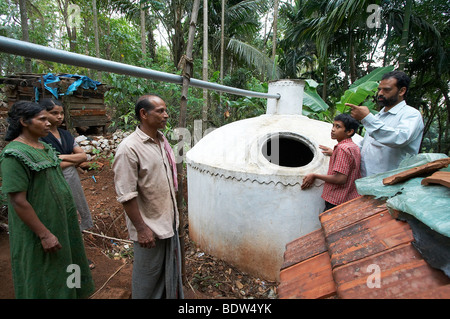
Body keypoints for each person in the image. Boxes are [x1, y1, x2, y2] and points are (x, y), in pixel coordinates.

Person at [0, 101, 95, 298]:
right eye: (42, 119)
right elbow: (18, 201)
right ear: (24, 122)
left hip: (61, 223)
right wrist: (44, 234)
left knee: (69, 261)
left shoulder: (43, 147)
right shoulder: (14, 155)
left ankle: (74, 294)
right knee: (46, 271)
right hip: (42, 227)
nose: (48, 123)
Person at [112, 94, 183, 299]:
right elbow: (126, 194)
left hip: (167, 222)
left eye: (165, 110)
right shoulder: (129, 149)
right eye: (160, 111)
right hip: (149, 228)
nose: (166, 115)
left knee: (166, 274)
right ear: (143, 114)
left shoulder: (161, 141)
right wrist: (142, 229)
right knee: (147, 279)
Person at [347, 70, 424, 177]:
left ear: (402, 91)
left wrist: (367, 118)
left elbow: (399, 138)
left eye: (386, 90)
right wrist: (344, 152)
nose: (380, 93)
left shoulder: (411, 114)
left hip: (390, 184)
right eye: (379, 89)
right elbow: (365, 145)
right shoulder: (378, 116)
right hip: (366, 180)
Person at [39, 98, 94, 232]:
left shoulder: (66, 135)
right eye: (54, 113)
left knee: (76, 204)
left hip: (71, 178)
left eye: (61, 113)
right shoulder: (41, 137)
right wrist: (73, 160)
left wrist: (62, 157)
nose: (59, 117)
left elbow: (83, 156)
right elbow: (50, 164)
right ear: (43, 113)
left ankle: (78, 230)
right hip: (52, 180)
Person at [301, 114, 361, 211]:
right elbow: (350, 162)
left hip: (336, 199)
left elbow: (340, 179)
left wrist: (315, 175)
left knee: (328, 224)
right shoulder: (353, 146)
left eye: (338, 127)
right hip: (349, 197)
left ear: (350, 131)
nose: (333, 129)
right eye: (333, 125)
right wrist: (334, 153)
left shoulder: (342, 149)